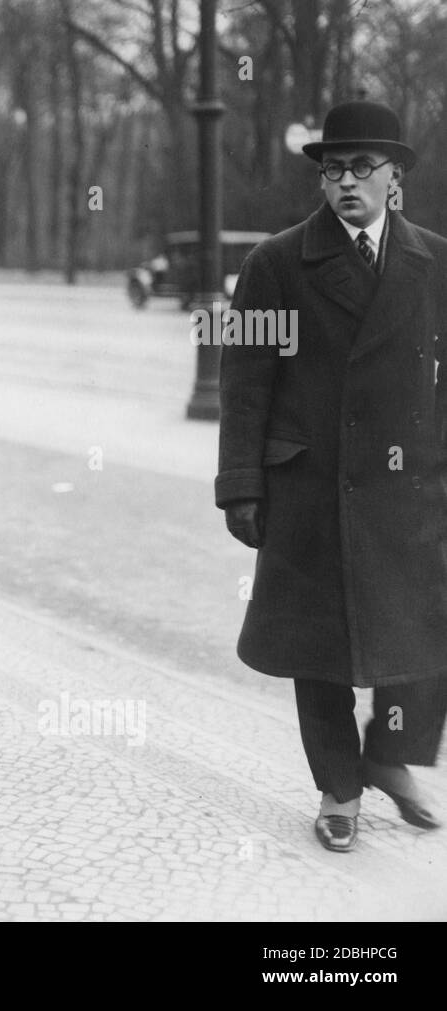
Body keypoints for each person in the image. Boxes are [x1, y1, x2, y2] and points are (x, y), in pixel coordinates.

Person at [217, 100, 447, 852]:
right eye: (332, 169)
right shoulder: (277, 262)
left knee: (425, 627)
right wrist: (242, 484)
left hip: (411, 486)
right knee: (316, 647)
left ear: (394, 177)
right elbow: (245, 381)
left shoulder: (435, 260)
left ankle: (390, 753)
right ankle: (340, 783)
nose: (346, 182)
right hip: (310, 484)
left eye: (361, 168)